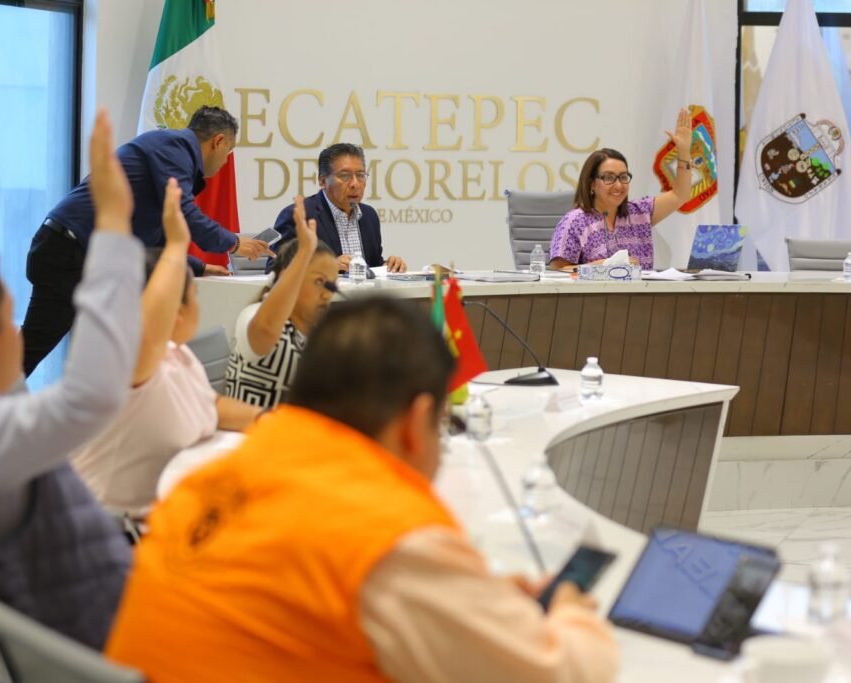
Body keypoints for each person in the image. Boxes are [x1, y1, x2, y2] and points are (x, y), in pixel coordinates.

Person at [105, 296, 619, 683]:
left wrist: (473, 600)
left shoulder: (209, 479)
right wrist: (569, 607)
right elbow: (560, 672)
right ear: (417, 421)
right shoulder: (389, 537)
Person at [0, 111, 142, 649]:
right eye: (9, 317)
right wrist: (112, 222)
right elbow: (91, 396)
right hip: (102, 641)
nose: (22, 331)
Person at [21, 105, 275, 376]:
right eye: (229, 151)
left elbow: (150, 241)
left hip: (78, 252)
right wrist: (234, 243)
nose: (225, 161)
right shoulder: (174, 148)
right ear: (218, 141)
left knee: (106, 355)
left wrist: (199, 267)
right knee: (30, 351)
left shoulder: (171, 151)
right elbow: (183, 213)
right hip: (69, 252)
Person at [69, 178, 262, 517]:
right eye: (191, 295)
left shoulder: (177, 353)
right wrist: (176, 245)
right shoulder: (122, 363)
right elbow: (147, 332)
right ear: (175, 309)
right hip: (115, 529)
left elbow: (209, 404)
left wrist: (269, 420)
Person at [224, 195, 338, 407]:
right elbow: (266, 329)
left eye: (332, 284)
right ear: (288, 276)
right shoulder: (253, 315)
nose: (327, 294)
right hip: (258, 425)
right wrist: (305, 252)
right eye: (319, 281)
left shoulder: (321, 330)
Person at [549, 108, 694, 271]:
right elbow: (557, 272)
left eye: (623, 177)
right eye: (609, 177)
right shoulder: (575, 222)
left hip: (641, 288)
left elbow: (680, 194)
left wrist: (684, 151)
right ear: (591, 183)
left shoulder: (639, 213)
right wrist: (603, 266)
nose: (618, 185)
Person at [270, 143, 407, 274]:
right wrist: (325, 268)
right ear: (323, 181)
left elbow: (371, 267)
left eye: (360, 175)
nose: (355, 184)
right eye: (345, 176)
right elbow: (273, 271)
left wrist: (388, 266)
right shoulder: (298, 215)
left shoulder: (369, 215)